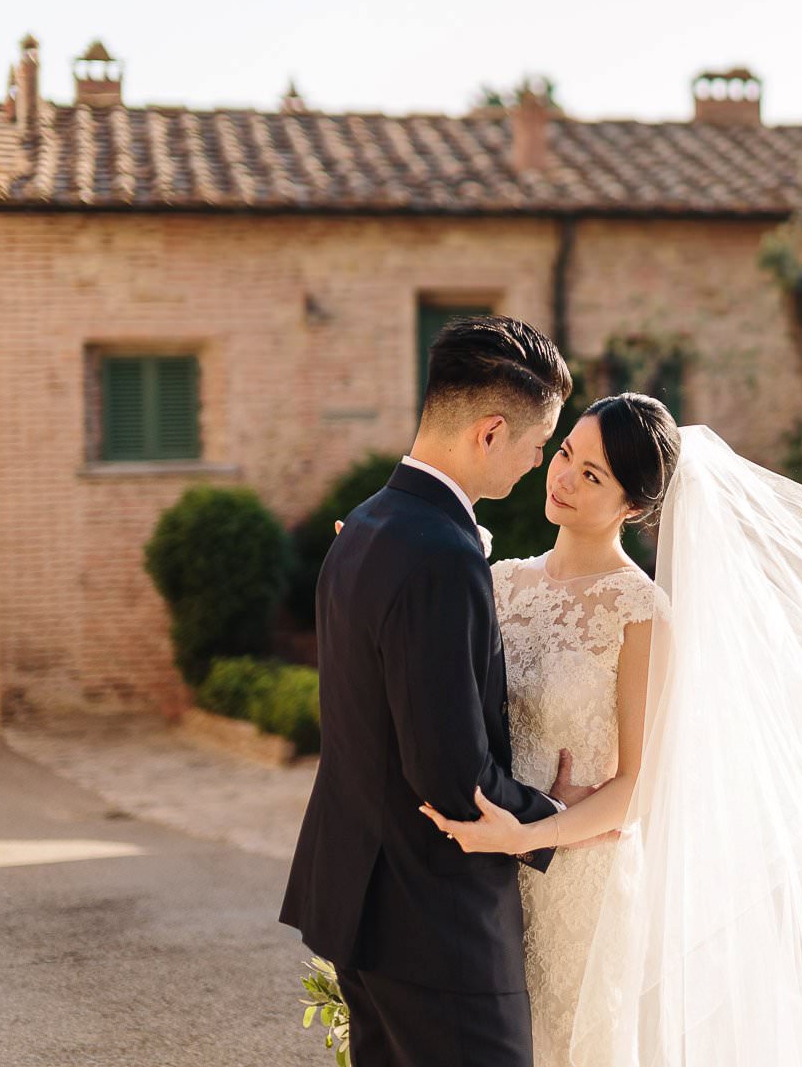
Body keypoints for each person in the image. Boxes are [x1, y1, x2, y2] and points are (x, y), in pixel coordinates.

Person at [422, 397, 802, 1067]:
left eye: (592, 476)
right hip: (487, 869)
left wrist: (533, 833)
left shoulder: (640, 612)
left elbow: (640, 785)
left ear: (633, 506)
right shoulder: (500, 582)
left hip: (576, 881)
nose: (563, 479)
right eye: (565, 455)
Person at [280, 314, 595, 1067]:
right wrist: (556, 818)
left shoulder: (364, 524)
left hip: (362, 901)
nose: (539, 463)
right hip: (436, 926)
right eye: (538, 443)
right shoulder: (443, 556)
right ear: (490, 432)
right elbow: (453, 778)